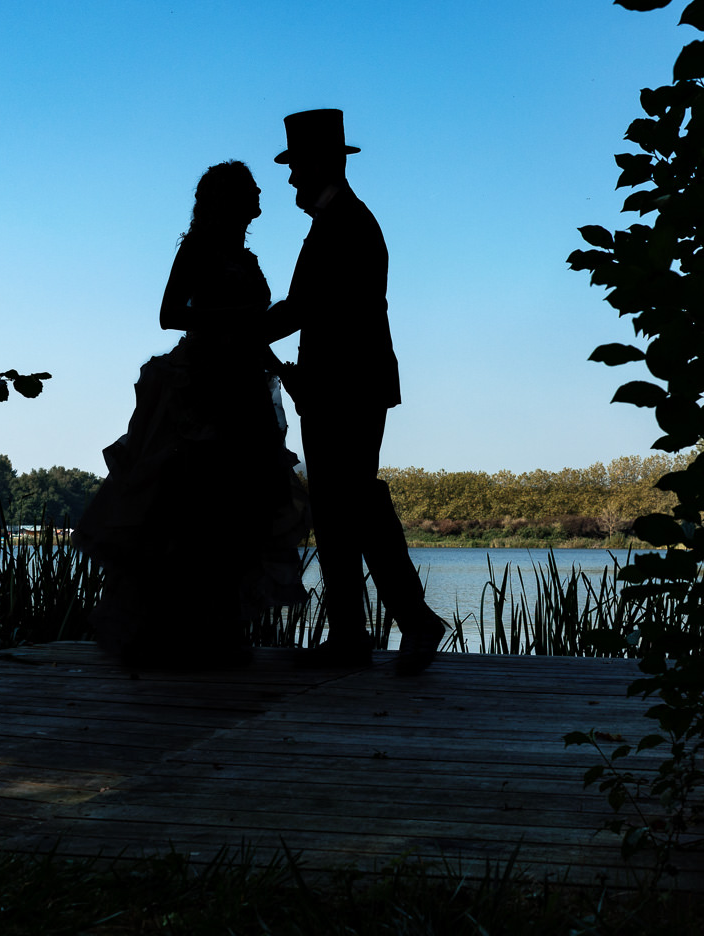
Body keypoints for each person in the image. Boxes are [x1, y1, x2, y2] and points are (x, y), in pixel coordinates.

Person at [75, 160, 309, 668]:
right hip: (201, 386)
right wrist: (236, 319)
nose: (260, 193)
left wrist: (277, 367)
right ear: (230, 199)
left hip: (245, 385)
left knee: (240, 512)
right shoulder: (197, 248)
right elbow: (168, 314)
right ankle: (184, 635)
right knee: (194, 509)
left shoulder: (244, 255)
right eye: (250, 188)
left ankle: (220, 631)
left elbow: (252, 330)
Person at [265, 109, 446, 675]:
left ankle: (410, 623)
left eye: (296, 167)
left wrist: (236, 329)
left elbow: (302, 310)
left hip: (348, 387)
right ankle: (354, 634)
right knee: (340, 507)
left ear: (320, 163)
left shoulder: (344, 225)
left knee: (354, 502)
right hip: (337, 387)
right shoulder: (338, 222)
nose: (291, 179)